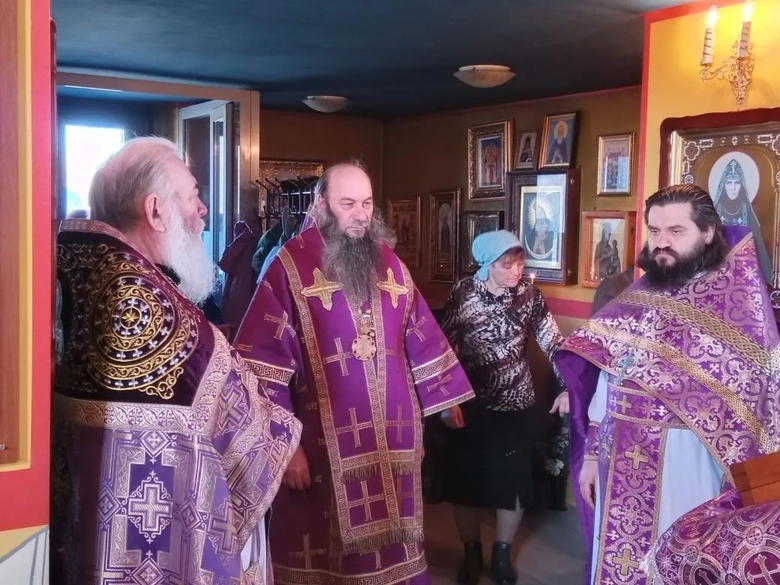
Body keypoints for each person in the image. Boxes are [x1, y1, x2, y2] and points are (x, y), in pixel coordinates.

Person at [51, 137, 302, 585]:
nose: (203, 209)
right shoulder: (162, 314)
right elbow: (248, 448)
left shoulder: (73, 286)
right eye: (192, 195)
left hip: (83, 530)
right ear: (155, 210)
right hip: (157, 543)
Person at [233, 162, 475, 584]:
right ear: (322, 205)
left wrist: (441, 400)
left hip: (392, 439)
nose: (360, 214)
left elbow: (420, 333)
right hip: (321, 446)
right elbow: (261, 365)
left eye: (366, 203)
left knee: (396, 545)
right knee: (328, 558)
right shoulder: (288, 267)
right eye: (348, 204)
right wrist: (285, 446)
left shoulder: (390, 264)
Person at [554, 184, 780, 585]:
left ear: (707, 232)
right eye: (655, 231)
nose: (661, 243)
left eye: (676, 231)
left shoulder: (738, 306)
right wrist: (591, 454)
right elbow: (609, 373)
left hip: (689, 459)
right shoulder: (640, 295)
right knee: (619, 562)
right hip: (619, 455)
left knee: (678, 563)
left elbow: (760, 401)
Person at [438, 230, 569, 585]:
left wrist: (567, 385)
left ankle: (501, 554)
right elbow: (444, 349)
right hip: (468, 404)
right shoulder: (463, 293)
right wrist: (446, 400)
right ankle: (471, 553)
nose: (515, 271)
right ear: (486, 264)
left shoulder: (529, 296)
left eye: (519, 263)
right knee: (464, 484)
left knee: (512, 483)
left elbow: (553, 342)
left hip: (515, 404)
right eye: (506, 264)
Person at [713, 157, 773, 283]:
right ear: (723, 186)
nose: (733, 188)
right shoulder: (714, 212)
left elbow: (759, 247)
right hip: (716, 271)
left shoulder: (747, 211)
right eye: (729, 183)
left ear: (742, 186)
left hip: (744, 273)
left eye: (737, 183)